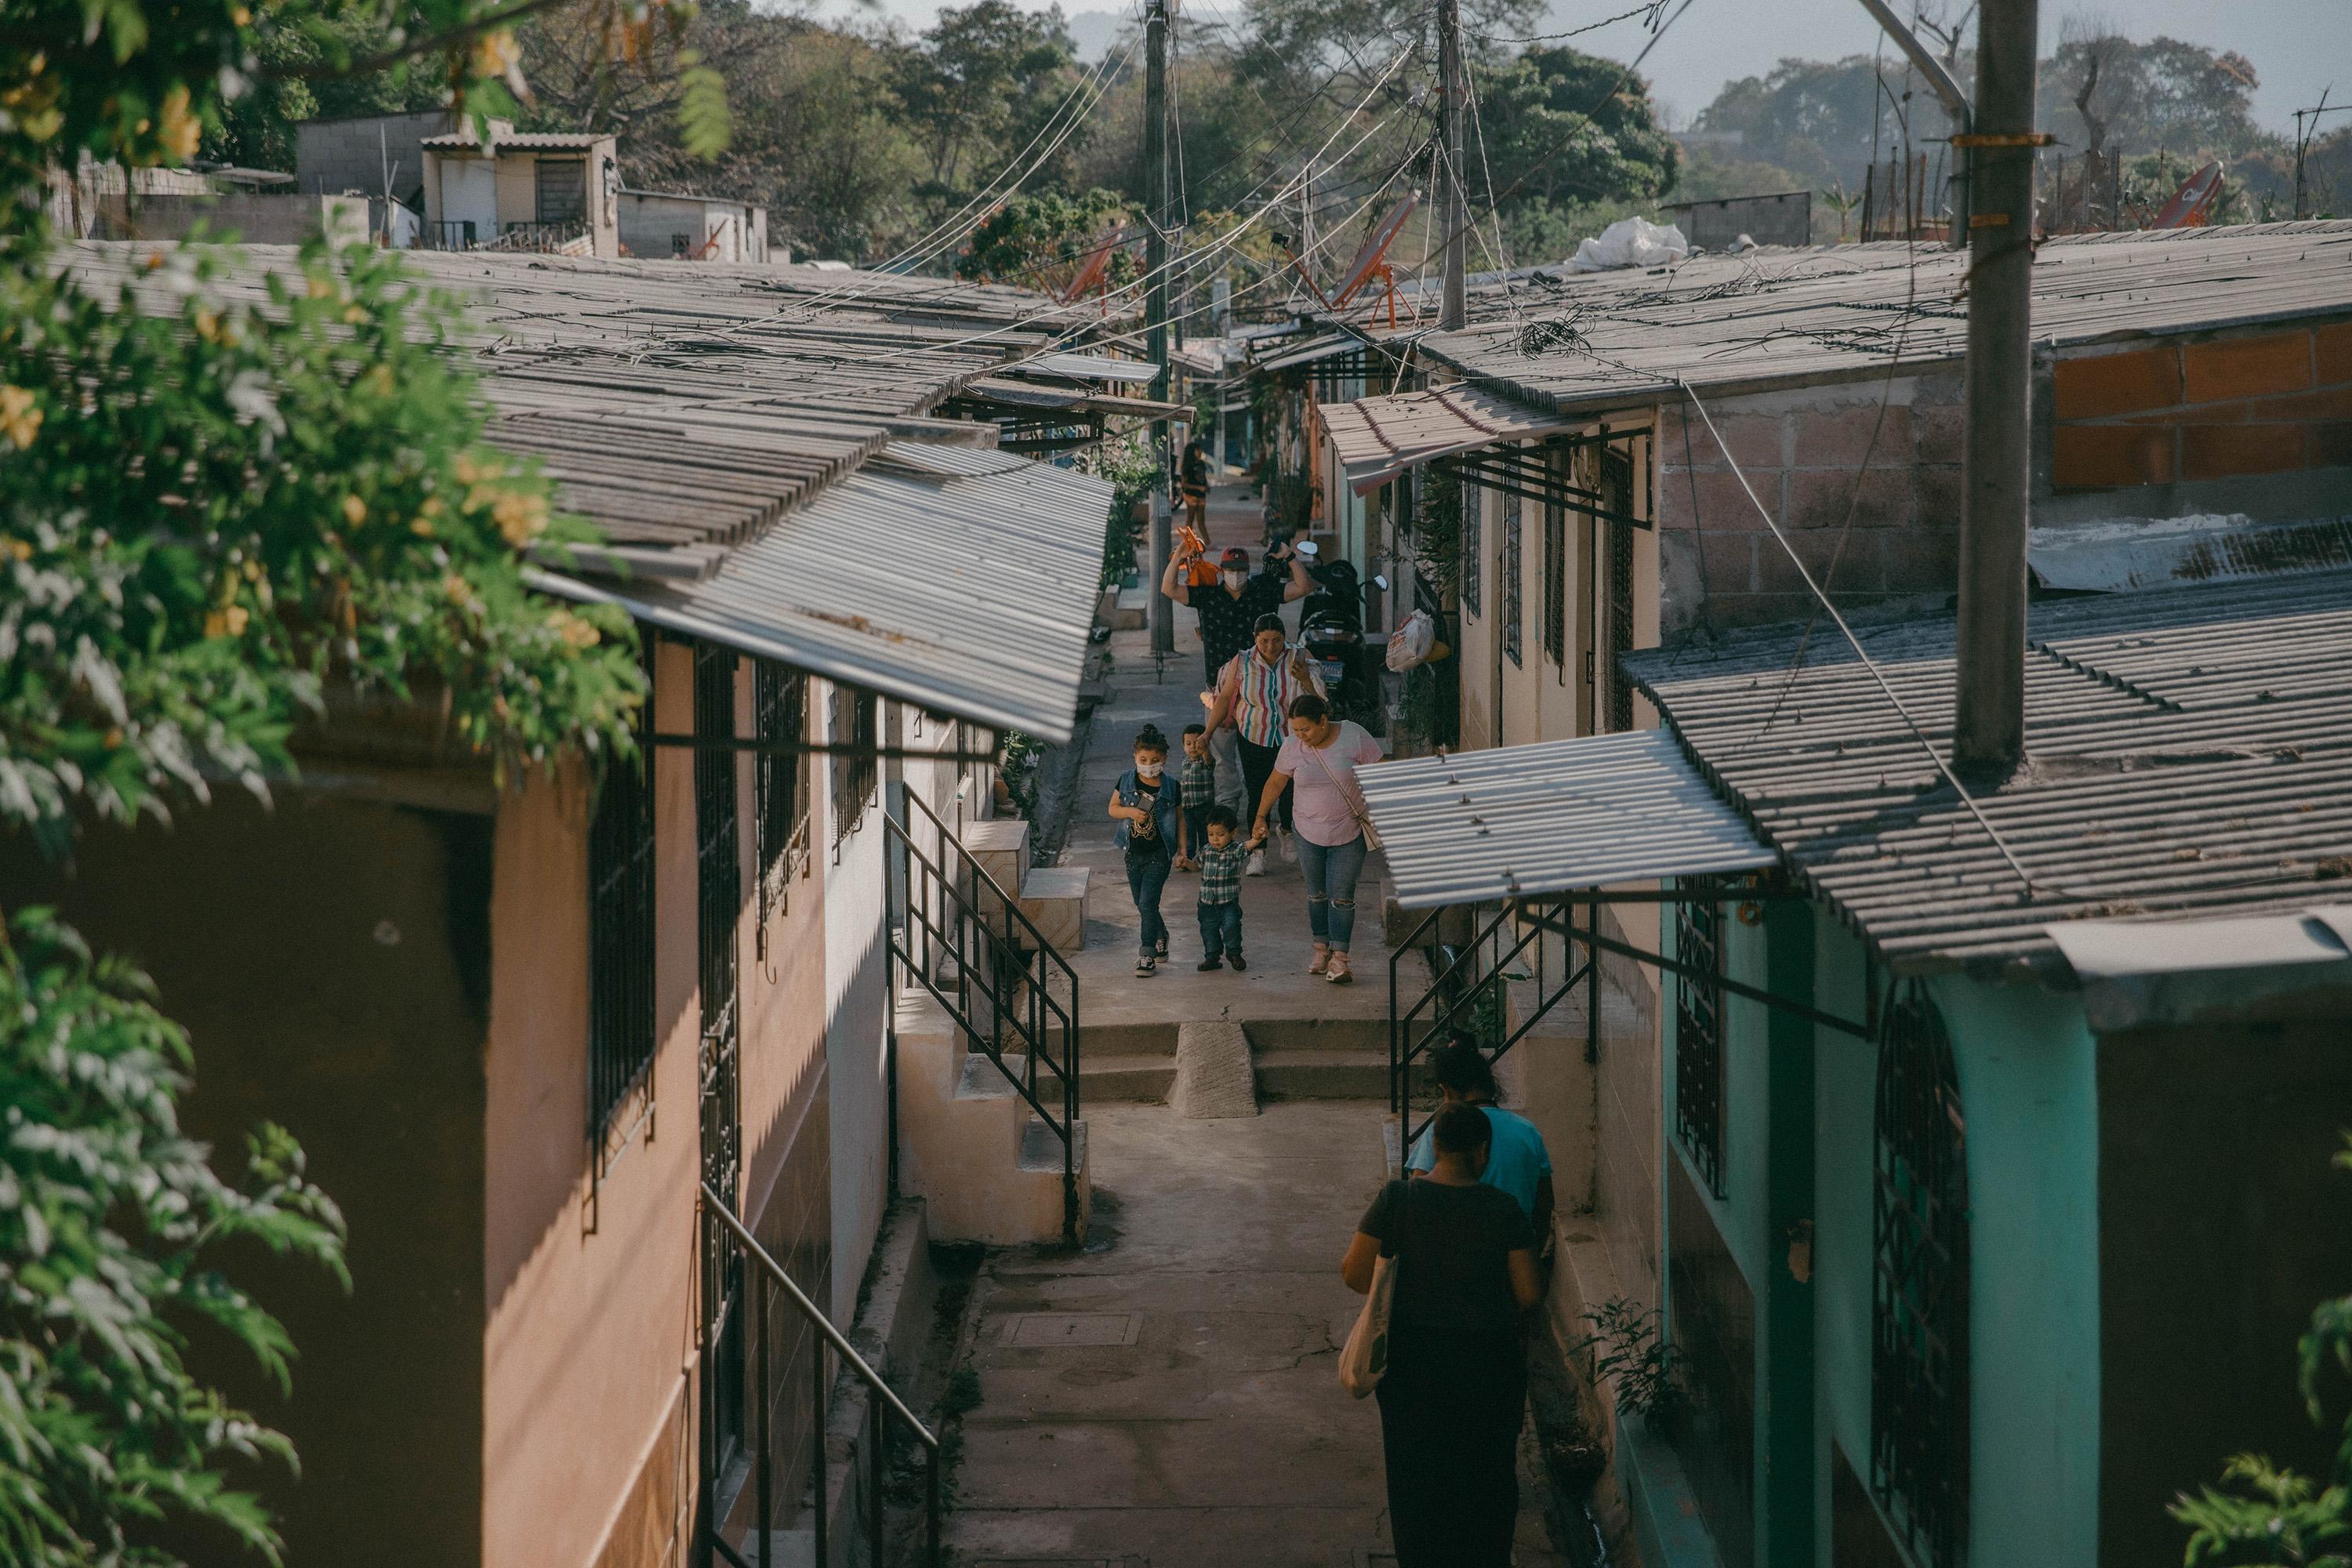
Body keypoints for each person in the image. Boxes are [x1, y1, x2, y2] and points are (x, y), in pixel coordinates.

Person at [1342, 1102, 1541, 1568]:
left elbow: (1353, 1271)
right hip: (1486, 1365)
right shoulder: (1503, 1208)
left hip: (1411, 1365)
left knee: (1416, 1481)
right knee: (1486, 1478)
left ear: (1433, 1147)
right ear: (1484, 1151)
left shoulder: (1396, 1200)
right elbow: (1529, 1294)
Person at [1251, 691, 1381, 983]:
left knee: (1342, 898)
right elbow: (1275, 782)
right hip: (1307, 832)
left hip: (1349, 831)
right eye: (1295, 730)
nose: (1301, 736)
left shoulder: (1353, 736)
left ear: (1323, 721)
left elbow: (1379, 772)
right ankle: (1321, 948)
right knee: (1316, 893)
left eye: (1305, 729)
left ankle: (1340, 959)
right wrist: (1260, 816)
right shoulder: (1292, 746)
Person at [1207, 615, 1324, 877]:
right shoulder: (1241, 662)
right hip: (1254, 736)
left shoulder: (1300, 658)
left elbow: (1319, 703)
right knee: (1258, 794)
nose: (1271, 647)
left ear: (1285, 637)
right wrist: (1207, 733)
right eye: (1264, 641)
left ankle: (1286, 829)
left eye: (1277, 640)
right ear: (1255, 638)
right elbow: (1225, 698)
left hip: (1290, 739)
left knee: (1291, 791)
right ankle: (1258, 853)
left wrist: (1305, 680)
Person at [1406, 1037, 1555, 1241]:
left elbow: (1416, 1199)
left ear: (1447, 1090)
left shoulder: (1441, 1131)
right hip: (1517, 1252)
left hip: (1458, 1253)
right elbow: (1544, 1205)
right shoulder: (1528, 1132)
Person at [1107, 724, 1180, 977]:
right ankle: (1161, 934)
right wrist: (1130, 812)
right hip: (1133, 854)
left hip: (1159, 855)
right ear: (1135, 757)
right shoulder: (1126, 780)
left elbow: (1180, 820)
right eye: (1144, 759)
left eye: (1155, 760)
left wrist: (1182, 851)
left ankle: (1146, 954)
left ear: (1165, 759)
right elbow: (1113, 808)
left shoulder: (1171, 786)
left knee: (1149, 902)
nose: (1149, 764)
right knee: (1142, 903)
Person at [1192, 805, 1265, 971]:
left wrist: (1258, 838)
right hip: (1206, 903)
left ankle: (1234, 954)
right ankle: (1212, 957)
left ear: (1233, 833)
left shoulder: (1234, 850)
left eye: (1221, 834)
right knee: (1208, 931)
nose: (1215, 839)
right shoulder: (1206, 850)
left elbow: (1248, 846)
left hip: (1228, 902)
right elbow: (1196, 865)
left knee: (1232, 927)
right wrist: (1187, 863)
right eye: (1211, 835)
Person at [1175, 722, 1215, 870]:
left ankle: (1206, 859)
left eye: (1197, 743)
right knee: (1189, 836)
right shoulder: (1184, 763)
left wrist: (1205, 751)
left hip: (1205, 806)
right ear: (1183, 746)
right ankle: (1189, 860)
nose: (1193, 747)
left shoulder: (1206, 761)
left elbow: (1209, 760)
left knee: (1206, 836)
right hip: (1188, 808)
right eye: (1188, 743)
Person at [1179, 437, 1210, 532]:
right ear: (1192, 452)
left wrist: (1206, 486)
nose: (1200, 452)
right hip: (1191, 495)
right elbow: (1184, 484)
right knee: (1190, 519)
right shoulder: (1188, 466)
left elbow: (1203, 477)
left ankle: (1207, 542)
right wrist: (1198, 487)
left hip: (1201, 495)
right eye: (1198, 450)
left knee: (1201, 520)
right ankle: (1187, 542)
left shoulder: (1201, 464)